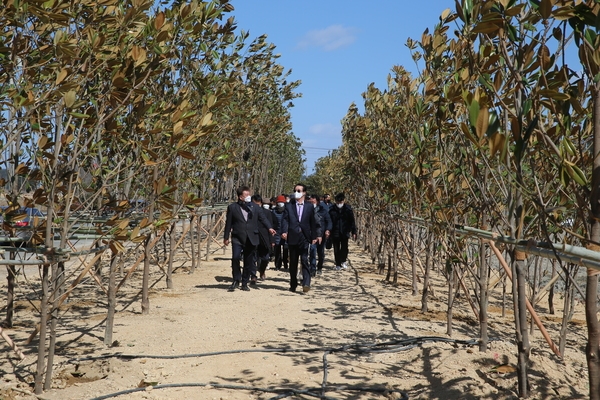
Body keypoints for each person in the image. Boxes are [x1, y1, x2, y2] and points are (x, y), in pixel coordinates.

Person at [223, 186, 275, 291]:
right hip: (237, 237)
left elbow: (263, 218)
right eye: (246, 195)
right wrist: (226, 237)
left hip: (251, 237)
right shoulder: (233, 207)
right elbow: (228, 223)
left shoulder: (255, 208)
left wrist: (269, 228)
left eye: (249, 194)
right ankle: (236, 280)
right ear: (240, 197)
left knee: (248, 260)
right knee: (236, 258)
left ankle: (245, 282)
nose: (248, 197)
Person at [281, 184, 321, 293]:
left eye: (299, 190)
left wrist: (314, 236)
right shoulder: (289, 205)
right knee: (293, 261)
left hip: (304, 236)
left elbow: (313, 222)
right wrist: (284, 231)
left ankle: (306, 283)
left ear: (304, 193)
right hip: (293, 236)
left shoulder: (309, 206)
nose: (296, 192)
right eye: (295, 190)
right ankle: (293, 283)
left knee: (304, 260)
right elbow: (285, 219)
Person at [328, 192, 356, 270]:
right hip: (335, 232)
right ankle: (337, 264)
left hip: (345, 232)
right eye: (338, 202)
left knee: (344, 248)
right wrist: (328, 230)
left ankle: (343, 260)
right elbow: (329, 221)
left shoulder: (348, 209)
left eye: (341, 202)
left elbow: (352, 221)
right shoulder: (332, 209)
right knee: (336, 249)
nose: (339, 203)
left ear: (344, 201)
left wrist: (354, 231)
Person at [252, 194, 276, 281]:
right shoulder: (249, 212)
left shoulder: (267, 213)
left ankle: (262, 270)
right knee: (253, 258)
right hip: (253, 238)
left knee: (265, 258)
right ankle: (253, 276)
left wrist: (272, 240)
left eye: (258, 204)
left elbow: (271, 226)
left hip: (264, 238)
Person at [308, 194, 332, 276]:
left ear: (317, 201)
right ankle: (312, 269)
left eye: (313, 199)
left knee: (321, 253)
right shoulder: (308, 211)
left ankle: (320, 267)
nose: (311, 201)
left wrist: (327, 230)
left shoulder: (323, 211)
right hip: (312, 235)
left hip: (322, 235)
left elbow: (329, 222)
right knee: (312, 251)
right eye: (310, 200)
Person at [271, 195, 288, 270]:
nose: (280, 204)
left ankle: (285, 263)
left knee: (286, 249)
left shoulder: (288, 211)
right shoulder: (273, 211)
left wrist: (286, 232)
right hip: (276, 232)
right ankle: (277, 265)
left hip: (286, 233)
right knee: (277, 249)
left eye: (282, 202)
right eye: (279, 202)